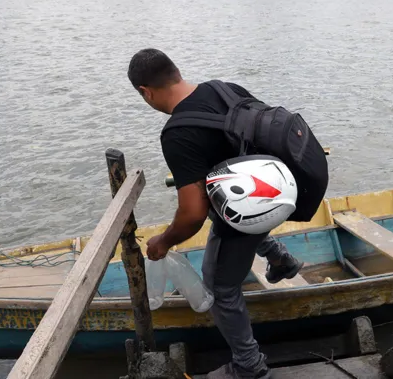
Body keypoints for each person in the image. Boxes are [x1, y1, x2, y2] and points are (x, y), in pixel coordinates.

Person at [127, 48, 305, 379]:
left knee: (219, 287)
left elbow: (192, 214)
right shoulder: (224, 88)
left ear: (145, 92)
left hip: (247, 211)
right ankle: (282, 260)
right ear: (176, 72)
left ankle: (249, 366)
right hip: (274, 192)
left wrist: (163, 242)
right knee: (217, 193)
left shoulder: (177, 133)